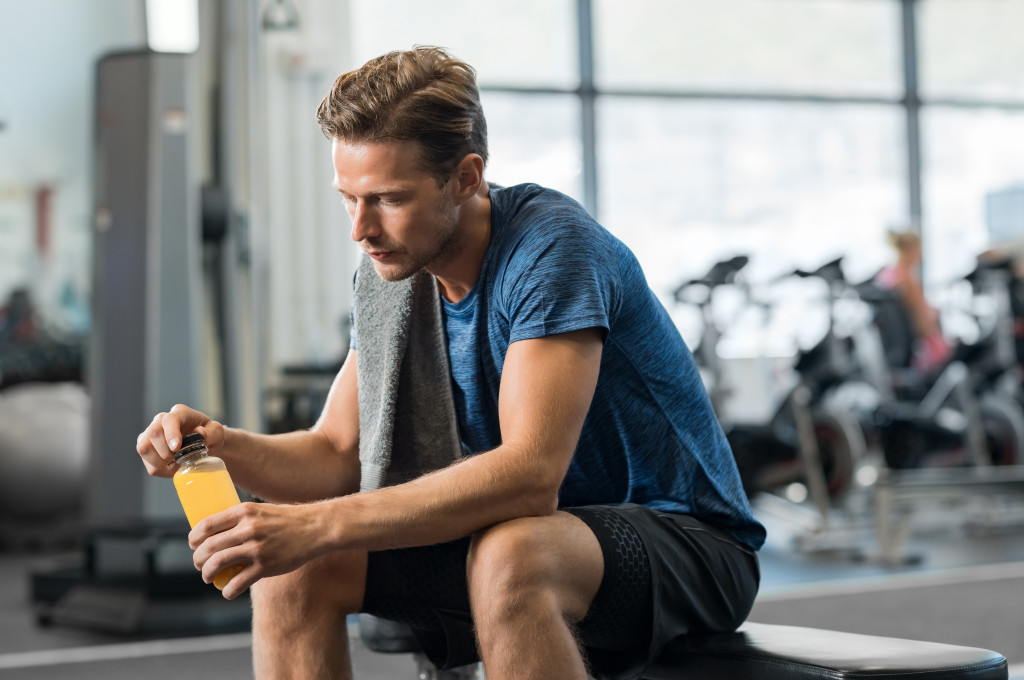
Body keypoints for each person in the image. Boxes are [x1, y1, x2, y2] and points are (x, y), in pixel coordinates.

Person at [136, 46, 764, 680]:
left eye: (388, 198)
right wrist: (220, 446)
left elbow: (529, 476)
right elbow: (334, 453)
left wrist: (321, 524)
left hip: (689, 543)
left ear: (466, 177)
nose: (360, 228)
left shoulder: (553, 251)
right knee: (296, 569)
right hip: (532, 535)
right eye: (349, 198)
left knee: (512, 553)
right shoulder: (391, 274)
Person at [875, 229, 951, 375]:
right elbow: (924, 328)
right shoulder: (908, 282)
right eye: (920, 250)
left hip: (894, 352)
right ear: (911, 250)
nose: (921, 256)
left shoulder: (885, 276)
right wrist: (936, 317)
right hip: (922, 355)